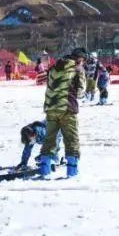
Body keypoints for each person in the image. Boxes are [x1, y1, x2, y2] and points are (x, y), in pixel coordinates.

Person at [38, 47, 87, 178]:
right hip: (67, 108)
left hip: (50, 108)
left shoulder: (53, 67)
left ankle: (44, 170)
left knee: (49, 140)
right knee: (71, 140)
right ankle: (72, 171)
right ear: (80, 59)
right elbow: (81, 93)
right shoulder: (77, 69)